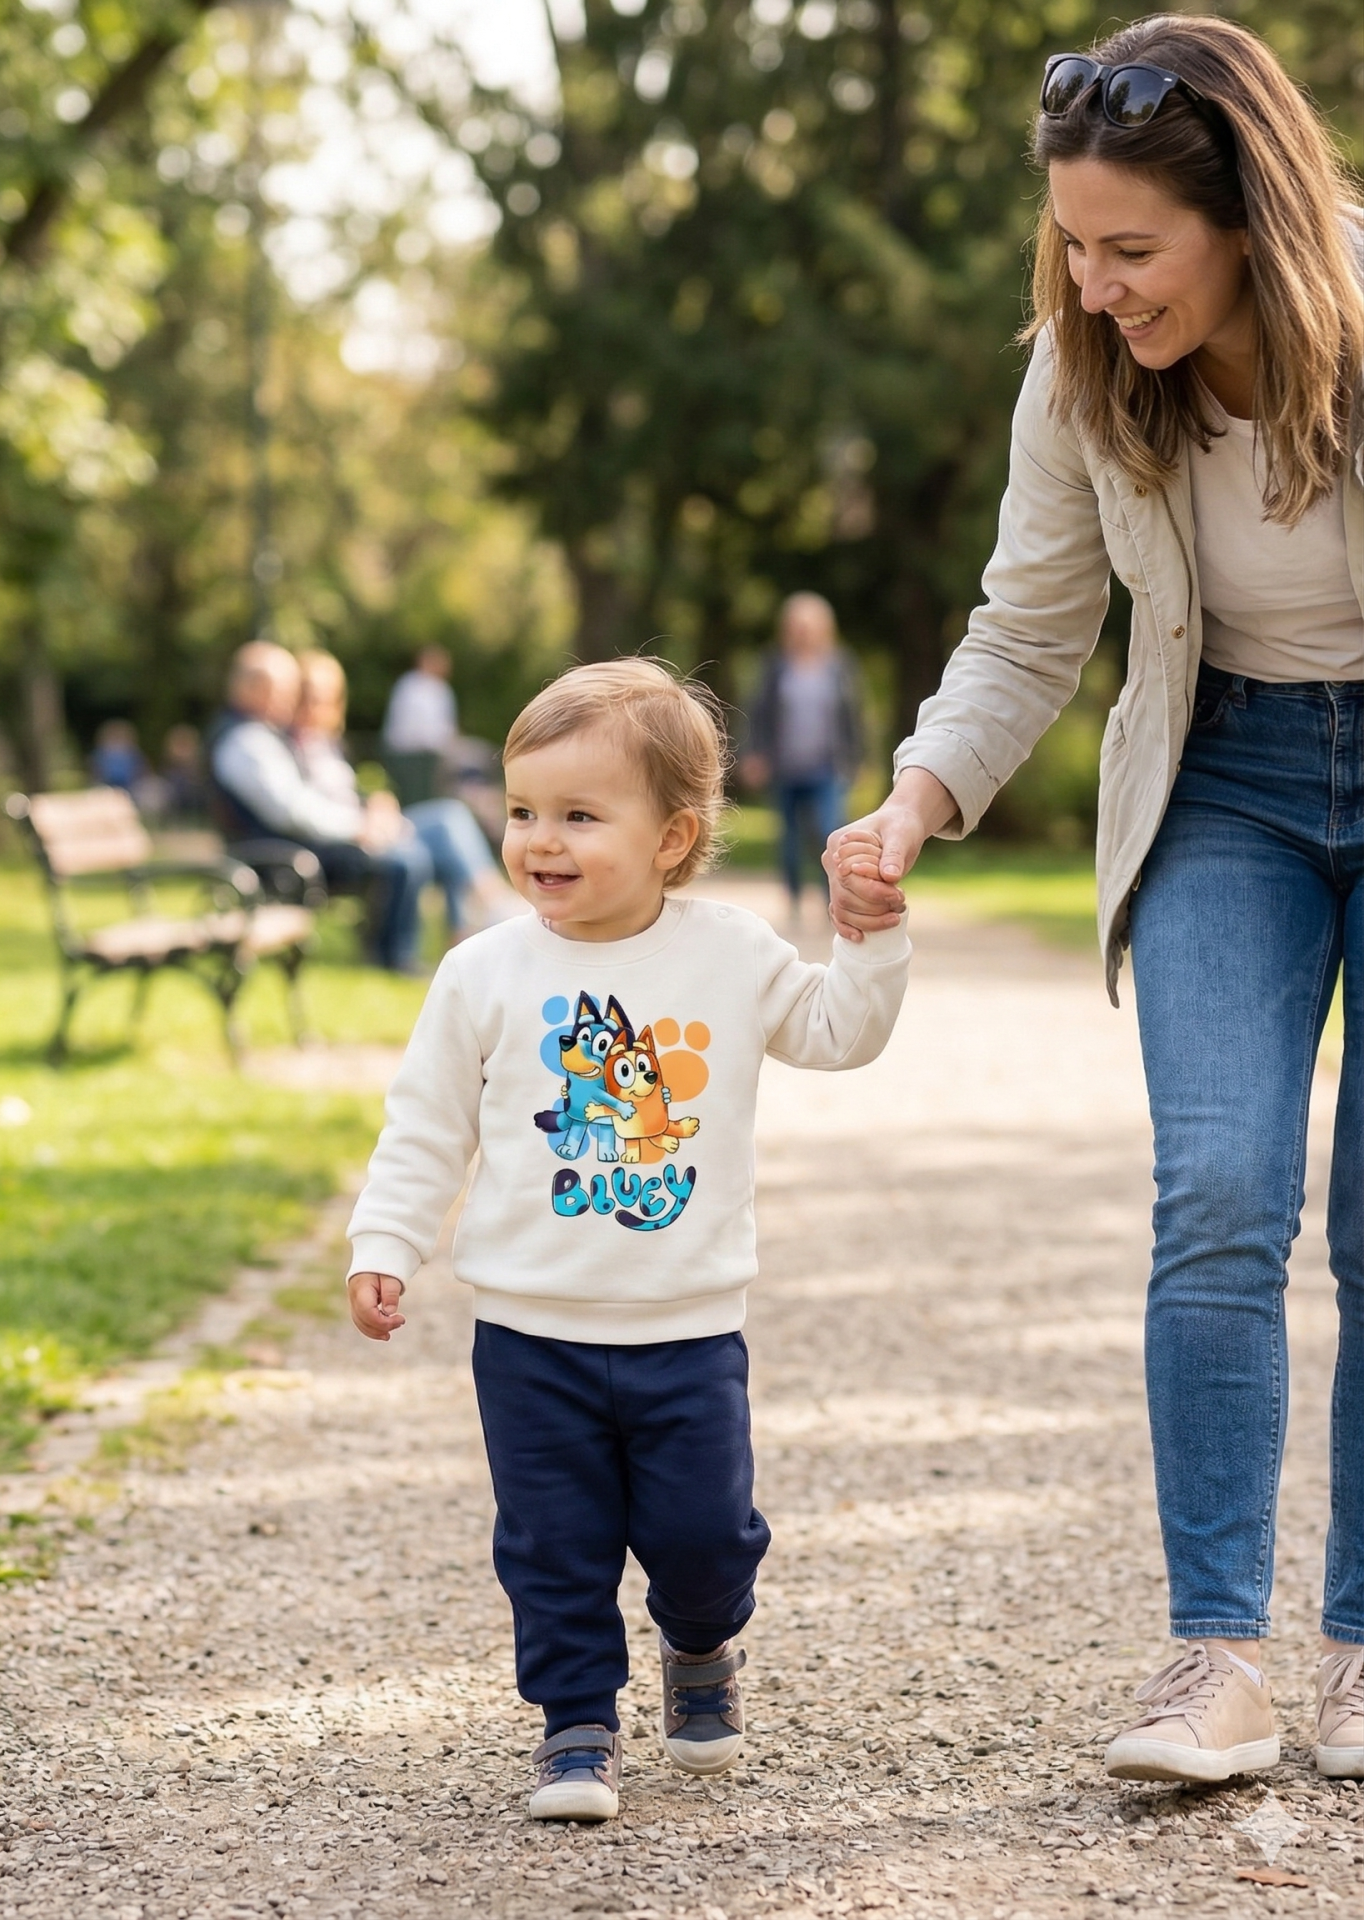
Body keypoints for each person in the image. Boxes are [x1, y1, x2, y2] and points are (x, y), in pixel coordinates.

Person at [828, 15, 1364, 1787]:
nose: (1099, 280)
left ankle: (1361, 1650)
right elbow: (1031, 625)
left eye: (1133, 248)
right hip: (1226, 782)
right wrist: (915, 800)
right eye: (1075, 241)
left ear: (1248, 220)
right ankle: (1217, 1660)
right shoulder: (1079, 376)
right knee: (1217, 1188)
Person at [345, 658, 909, 1820]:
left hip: (685, 1328)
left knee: (703, 1538)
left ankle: (700, 1648)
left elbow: (838, 1032)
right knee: (551, 1546)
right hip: (528, 1332)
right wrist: (385, 1244)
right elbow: (425, 1127)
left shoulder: (729, 953)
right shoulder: (482, 973)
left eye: (577, 816)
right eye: (520, 811)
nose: (538, 842)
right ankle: (576, 1725)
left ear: (671, 837)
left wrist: (869, 940)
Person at [206, 641, 431, 974]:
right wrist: (357, 828)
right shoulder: (247, 742)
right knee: (401, 860)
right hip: (282, 857)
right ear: (250, 688)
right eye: (280, 690)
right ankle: (393, 958)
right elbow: (290, 811)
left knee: (407, 852)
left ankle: (393, 954)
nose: (288, 700)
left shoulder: (260, 736)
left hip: (296, 846)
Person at [291, 650, 520, 940]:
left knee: (449, 818)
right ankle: (491, 907)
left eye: (327, 698)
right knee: (442, 829)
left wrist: (376, 802)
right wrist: (362, 824)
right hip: (348, 838)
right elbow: (306, 807)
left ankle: (469, 927)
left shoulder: (327, 744)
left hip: (368, 825)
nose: (318, 706)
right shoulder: (290, 747)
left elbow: (346, 793)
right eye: (310, 696)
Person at [742, 593, 863, 917]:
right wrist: (754, 755)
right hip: (785, 768)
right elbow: (760, 713)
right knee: (790, 840)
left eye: (810, 626)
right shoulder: (775, 665)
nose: (804, 632)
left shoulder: (839, 666)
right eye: (797, 626)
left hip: (827, 767)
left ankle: (830, 899)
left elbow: (854, 717)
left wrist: (859, 760)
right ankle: (794, 897)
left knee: (829, 832)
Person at [381, 644, 458, 755]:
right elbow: (418, 731)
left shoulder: (442, 688)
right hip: (412, 749)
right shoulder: (410, 685)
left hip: (433, 747)